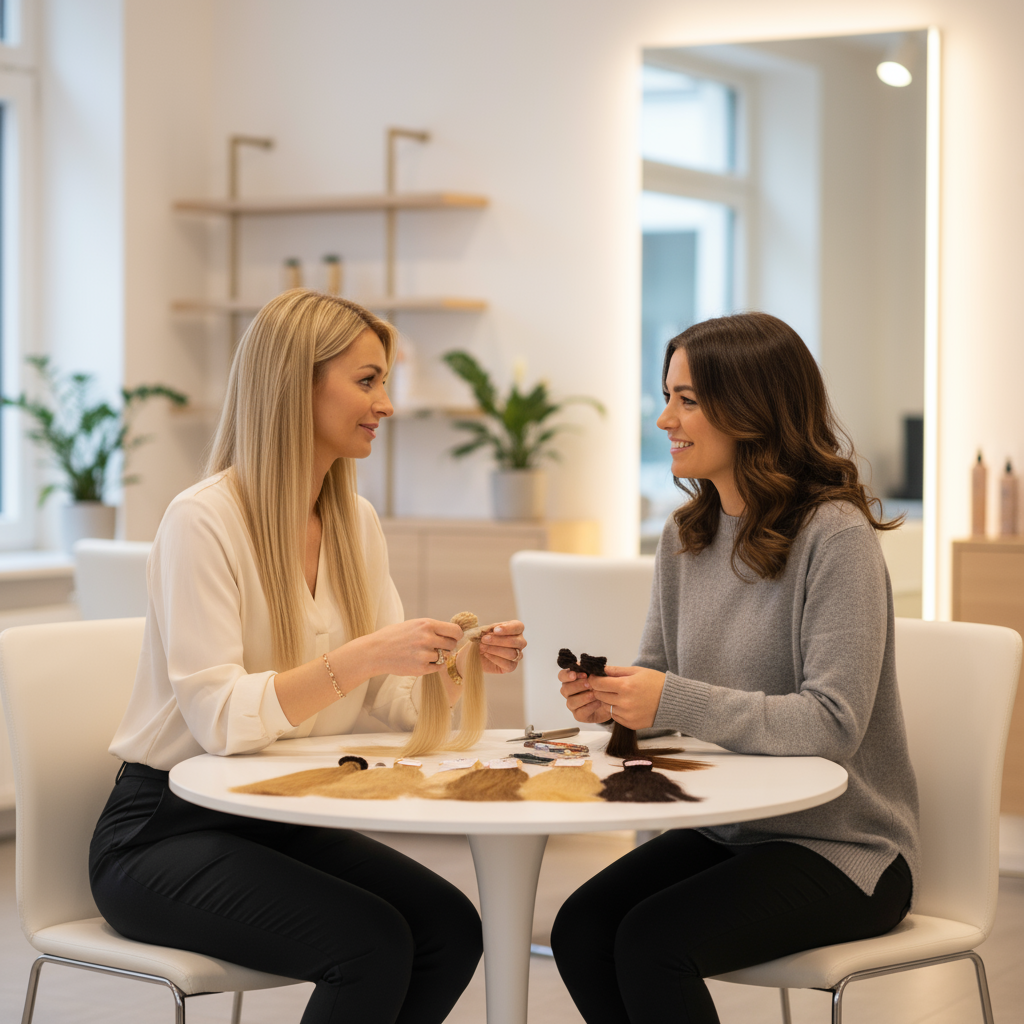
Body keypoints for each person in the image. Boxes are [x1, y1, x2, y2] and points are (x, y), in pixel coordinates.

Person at [89, 290, 527, 1024]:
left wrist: (456, 667)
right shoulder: (203, 519)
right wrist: (364, 655)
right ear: (296, 384)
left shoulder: (355, 521)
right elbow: (220, 720)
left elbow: (391, 704)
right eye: (367, 380)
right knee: (371, 945)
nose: (386, 404)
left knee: (448, 929)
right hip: (164, 831)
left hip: (279, 814)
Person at [550, 312, 918, 1024]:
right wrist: (616, 703)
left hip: (846, 849)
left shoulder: (836, 537)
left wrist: (668, 698)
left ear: (753, 410)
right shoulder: (685, 535)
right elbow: (661, 680)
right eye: (667, 396)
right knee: (582, 929)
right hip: (728, 830)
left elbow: (833, 723)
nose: (665, 419)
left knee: (653, 943)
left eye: (686, 400)